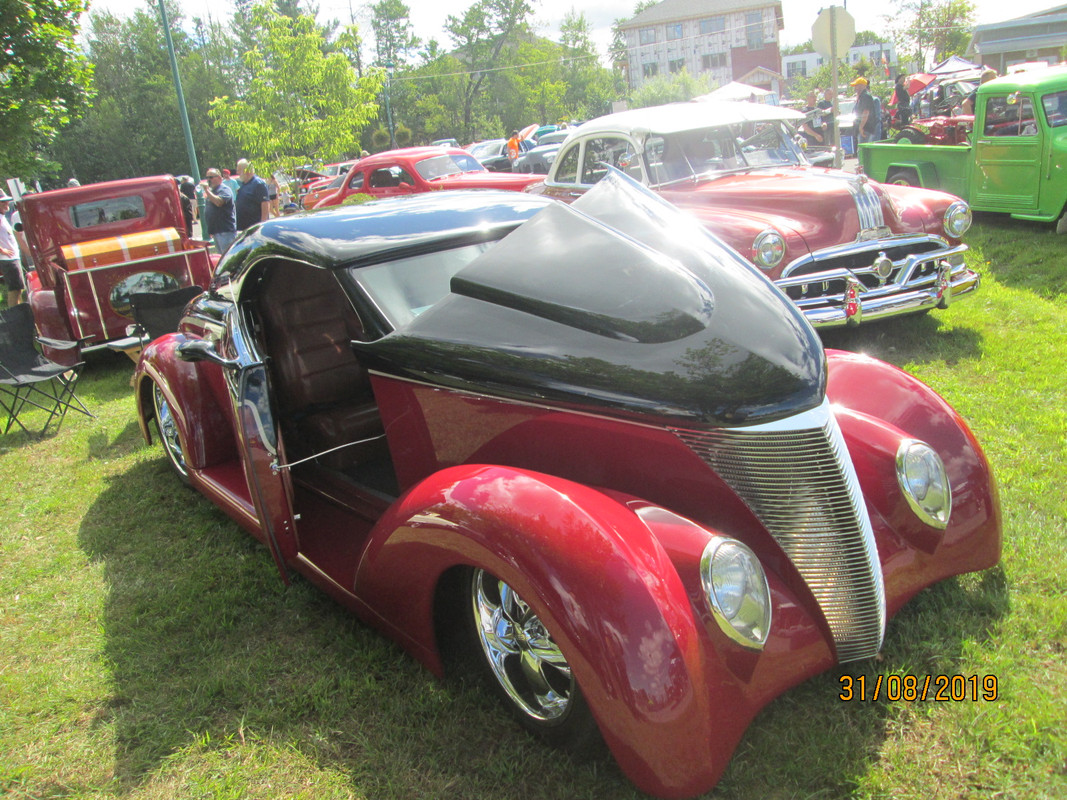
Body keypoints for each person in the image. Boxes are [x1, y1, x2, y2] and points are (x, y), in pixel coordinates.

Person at [201, 168, 237, 255]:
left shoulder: (224, 189)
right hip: (216, 231)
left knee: (228, 257)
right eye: (207, 178)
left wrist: (207, 190)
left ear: (219, 178)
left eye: (211, 177)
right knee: (221, 258)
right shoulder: (212, 191)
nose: (209, 180)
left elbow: (219, 202)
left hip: (225, 231)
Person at [0, 194, 24, 306]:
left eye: (7, 201)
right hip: (8, 259)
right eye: (2, 202)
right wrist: (2, 250)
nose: (6, 203)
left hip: (13, 257)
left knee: (19, 288)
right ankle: (14, 316)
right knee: (14, 289)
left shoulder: (2, 217)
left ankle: (20, 312)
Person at [234, 159, 270, 232]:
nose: (237, 173)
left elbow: (265, 204)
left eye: (239, 170)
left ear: (246, 171)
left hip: (255, 228)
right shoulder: (244, 184)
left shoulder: (258, 184)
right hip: (244, 228)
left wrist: (262, 225)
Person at [852, 77, 878, 144]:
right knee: (862, 150)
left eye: (856, 86)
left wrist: (861, 127)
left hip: (865, 129)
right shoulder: (862, 96)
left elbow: (866, 112)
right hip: (864, 127)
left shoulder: (865, 96)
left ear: (861, 86)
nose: (855, 88)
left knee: (862, 150)